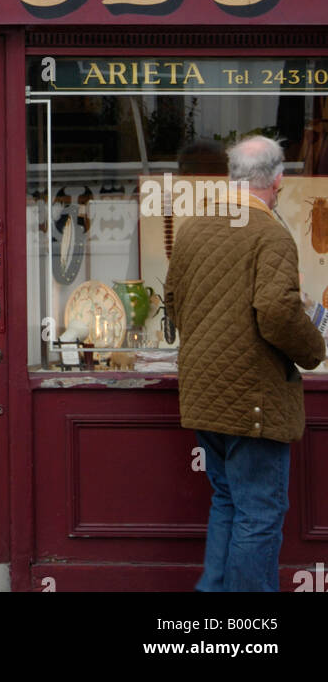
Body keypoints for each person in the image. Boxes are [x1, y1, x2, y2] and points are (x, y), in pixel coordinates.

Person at [165, 135, 325, 592]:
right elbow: (277, 312)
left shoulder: (194, 226)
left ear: (233, 176)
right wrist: (314, 349)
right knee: (258, 513)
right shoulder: (271, 232)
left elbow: (173, 300)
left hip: (202, 395)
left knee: (228, 502)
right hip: (254, 400)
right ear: (277, 180)